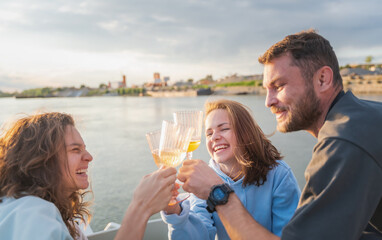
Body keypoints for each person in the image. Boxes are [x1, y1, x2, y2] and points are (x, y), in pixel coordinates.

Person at [177, 29, 382, 240]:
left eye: (278, 86)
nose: (268, 102)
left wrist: (217, 193)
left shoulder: (343, 141)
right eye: (267, 89)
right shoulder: (366, 117)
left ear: (323, 79)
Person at [0, 112, 177, 240]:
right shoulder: (30, 213)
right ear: (42, 159)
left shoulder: (49, 215)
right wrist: (140, 207)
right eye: (75, 150)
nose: (89, 157)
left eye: (84, 148)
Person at [161, 99, 300, 239]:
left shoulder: (279, 175)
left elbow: (288, 235)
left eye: (224, 129)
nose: (214, 137)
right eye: (209, 133)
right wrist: (174, 212)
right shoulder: (204, 178)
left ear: (246, 132)